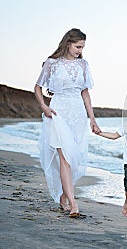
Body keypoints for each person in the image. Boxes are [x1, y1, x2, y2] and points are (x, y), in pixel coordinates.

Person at [34, 28, 100, 218]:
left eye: (82, 47)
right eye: (78, 46)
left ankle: (64, 195)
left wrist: (92, 119)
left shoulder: (83, 65)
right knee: (64, 158)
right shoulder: (52, 63)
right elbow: (37, 87)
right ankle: (73, 204)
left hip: (78, 114)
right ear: (68, 43)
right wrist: (44, 107)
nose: (80, 50)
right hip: (57, 112)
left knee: (74, 158)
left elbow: (85, 93)